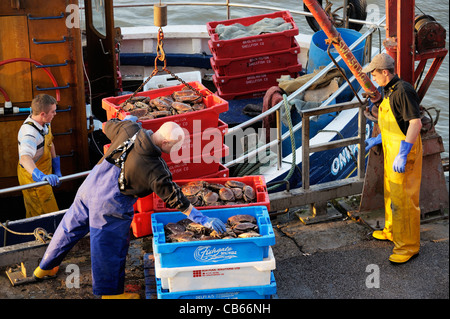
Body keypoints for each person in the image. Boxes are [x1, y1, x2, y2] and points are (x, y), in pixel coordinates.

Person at [33, 117, 226, 299]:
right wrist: (204, 220)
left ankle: (44, 267)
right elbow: (177, 200)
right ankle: (111, 294)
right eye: (174, 147)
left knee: (68, 229)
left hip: (88, 188)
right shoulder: (155, 168)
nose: (174, 151)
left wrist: (126, 120)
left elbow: (106, 126)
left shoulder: (130, 128)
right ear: (165, 143)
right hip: (110, 206)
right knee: (109, 248)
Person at [363, 53, 423, 264]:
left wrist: (404, 153)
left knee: (404, 201)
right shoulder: (388, 90)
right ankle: (391, 231)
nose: (373, 77)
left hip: (403, 153)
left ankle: (408, 247)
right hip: (392, 150)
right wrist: (380, 138)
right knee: (391, 194)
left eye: (375, 73)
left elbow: (415, 123)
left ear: (385, 72)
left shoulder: (403, 91)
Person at [17, 94, 61, 218]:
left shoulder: (45, 124)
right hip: (33, 178)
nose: (55, 114)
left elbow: (50, 143)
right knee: (42, 213)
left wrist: (56, 168)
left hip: (46, 172)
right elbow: (25, 158)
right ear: (42, 114)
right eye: (53, 111)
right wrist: (40, 177)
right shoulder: (29, 134)